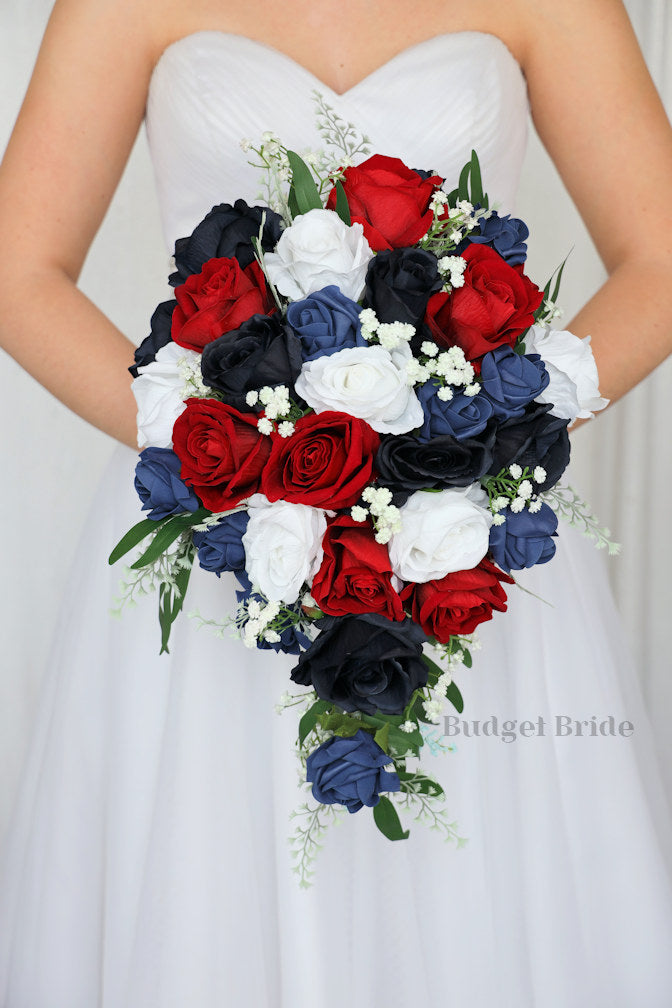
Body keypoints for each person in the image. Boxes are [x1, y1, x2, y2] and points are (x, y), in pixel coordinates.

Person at [1, 0, 672, 1005]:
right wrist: (220, 446)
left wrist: (483, 431)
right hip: (219, 532)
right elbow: (18, 272)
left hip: (461, 537)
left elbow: (661, 256)